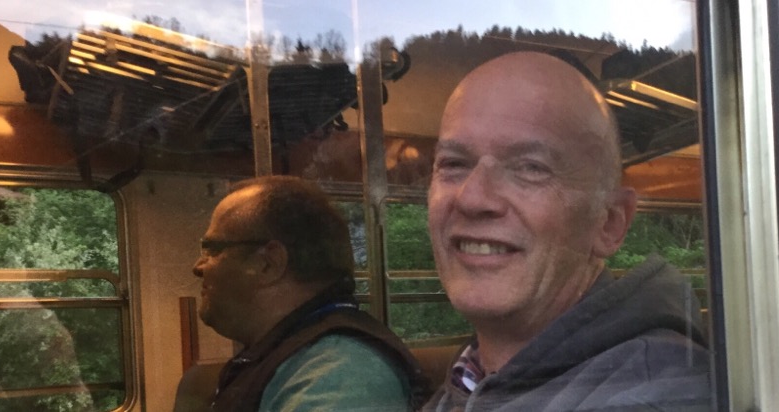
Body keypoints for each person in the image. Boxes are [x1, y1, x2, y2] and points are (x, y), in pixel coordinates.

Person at [422, 52, 712, 411]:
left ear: (609, 223)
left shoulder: (656, 395)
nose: (473, 198)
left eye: (530, 168)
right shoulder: (472, 375)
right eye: (453, 164)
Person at [189, 176, 428, 411]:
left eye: (213, 250)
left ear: (268, 263)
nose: (198, 267)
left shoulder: (338, 372)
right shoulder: (291, 356)